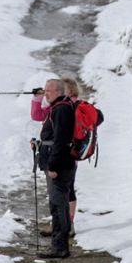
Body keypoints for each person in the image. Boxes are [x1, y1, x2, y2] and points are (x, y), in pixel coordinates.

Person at [28, 77, 83, 238]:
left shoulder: (66, 107)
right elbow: (37, 115)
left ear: (68, 91)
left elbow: (61, 137)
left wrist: (53, 163)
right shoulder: (56, 107)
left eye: (51, 91)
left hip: (62, 157)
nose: (47, 94)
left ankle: (66, 226)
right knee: (59, 194)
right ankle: (60, 226)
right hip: (57, 155)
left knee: (66, 191)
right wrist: (37, 98)